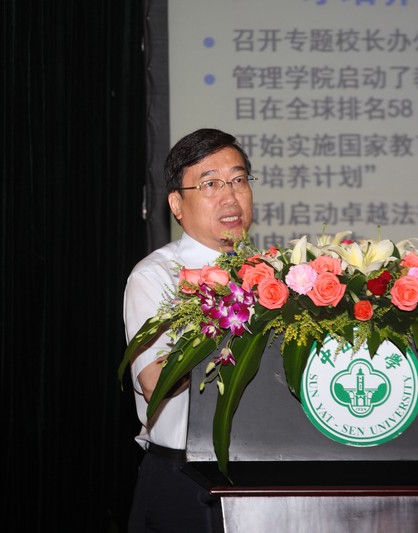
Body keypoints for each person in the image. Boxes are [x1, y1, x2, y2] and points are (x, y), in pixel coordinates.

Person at [123, 128, 255, 532]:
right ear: (177, 204)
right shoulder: (155, 276)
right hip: (184, 479)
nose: (230, 197)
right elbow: (154, 382)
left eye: (239, 180)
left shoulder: (272, 275)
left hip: (262, 476)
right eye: (210, 184)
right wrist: (218, 313)